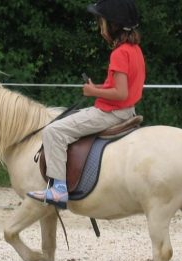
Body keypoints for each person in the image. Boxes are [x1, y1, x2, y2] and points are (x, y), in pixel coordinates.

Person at [27, 0, 145, 209]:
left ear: (113, 25)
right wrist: (100, 87)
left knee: (54, 131)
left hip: (111, 113)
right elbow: (122, 88)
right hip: (126, 110)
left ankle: (58, 190)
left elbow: (120, 92)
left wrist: (92, 91)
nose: (100, 27)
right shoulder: (135, 50)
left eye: (102, 22)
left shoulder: (119, 53)